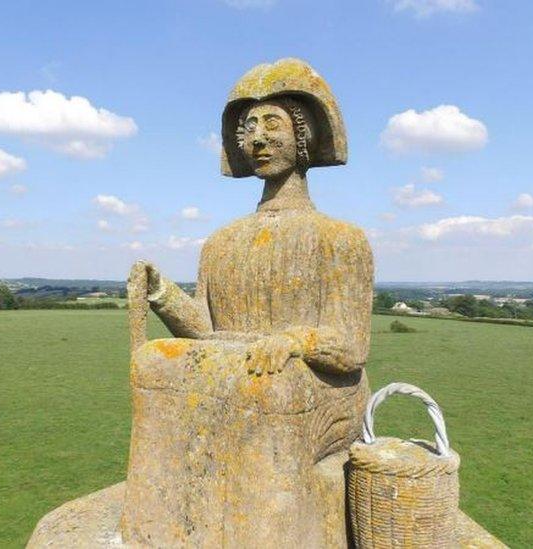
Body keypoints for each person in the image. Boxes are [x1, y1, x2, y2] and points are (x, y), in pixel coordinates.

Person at [121, 58, 373, 547]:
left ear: (303, 137)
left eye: (271, 123)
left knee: (266, 389)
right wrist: (161, 293)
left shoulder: (341, 240)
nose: (256, 137)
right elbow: (205, 331)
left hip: (318, 386)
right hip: (240, 372)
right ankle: (153, 531)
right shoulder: (221, 242)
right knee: (154, 363)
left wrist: (295, 340)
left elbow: (352, 347)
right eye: (248, 127)